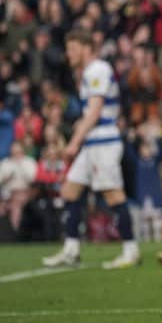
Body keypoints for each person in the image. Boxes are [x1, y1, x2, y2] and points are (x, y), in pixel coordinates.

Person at [42, 30, 140, 269]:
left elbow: (95, 112)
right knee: (69, 191)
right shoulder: (89, 72)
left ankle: (130, 250)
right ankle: (71, 249)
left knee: (113, 194)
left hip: (104, 142)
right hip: (93, 142)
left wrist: (74, 141)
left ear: (86, 47)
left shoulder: (97, 70)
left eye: (73, 49)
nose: (69, 54)